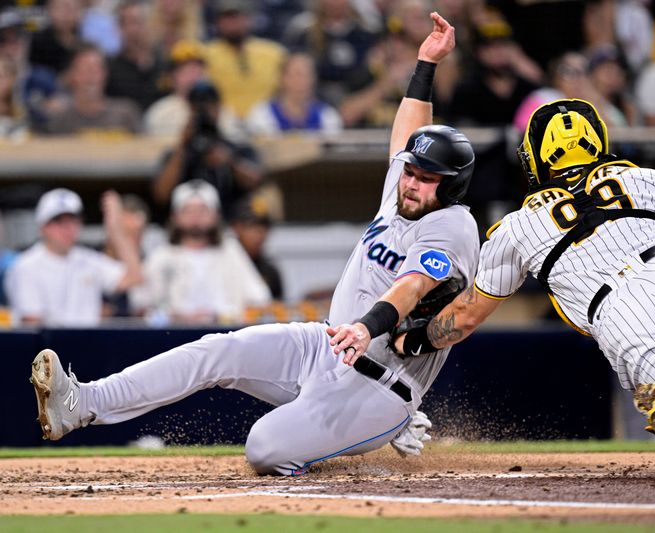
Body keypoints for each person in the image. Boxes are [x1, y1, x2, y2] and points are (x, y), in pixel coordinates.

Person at [30, 13, 480, 476]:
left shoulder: (452, 226)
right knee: (214, 351)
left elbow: (412, 285)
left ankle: (363, 451)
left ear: (451, 187)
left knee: (265, 447)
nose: (411, 183)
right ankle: (82, 402)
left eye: (427, 179)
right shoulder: (403, 191)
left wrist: (367, 327)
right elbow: (407, 133)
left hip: (381, 383)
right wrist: (426, 62)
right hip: (327, 344)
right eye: (410, 171)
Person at [336, 98, 655, 479]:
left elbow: (465, 318)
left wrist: (412, 339)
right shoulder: (642, 177)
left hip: (621, 315)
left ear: (534, 159)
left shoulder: (516, 227)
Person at [131, 179, 271, 324]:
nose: (196, 216)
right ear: (175, 216)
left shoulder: (230, 252)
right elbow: (140, 305)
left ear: (216, 215)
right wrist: (176, 317)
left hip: (223, 336)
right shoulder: (162, 256)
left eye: (203, 210)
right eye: (188, 210)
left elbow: (260, 298)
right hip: (175, 338)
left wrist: (221, 315)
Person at [5, 188, 142, 326]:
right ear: (42, 227)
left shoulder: (88, 259)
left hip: (90, 343)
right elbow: (33, 324)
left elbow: (134, 278)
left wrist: (116, 230)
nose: (67, 228)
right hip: (49, 345)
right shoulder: (25, 266)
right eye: (58, 221)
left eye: (72, 220)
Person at [151, 80, 263, 219]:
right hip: (186, 226)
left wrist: (229, 162)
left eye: (210, 105)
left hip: (228, 224)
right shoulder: (177, 153)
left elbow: (256, 182)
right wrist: (182, 146)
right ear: (190, 109)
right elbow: (161, 195)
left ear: (219, 107)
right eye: (198, 106)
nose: (204, 111)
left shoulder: (237, 148)